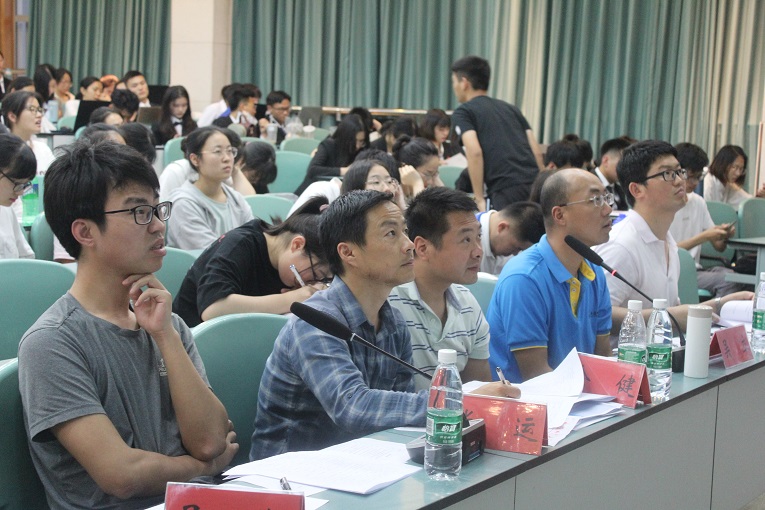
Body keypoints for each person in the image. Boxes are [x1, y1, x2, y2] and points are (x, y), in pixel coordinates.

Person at [18, 140, 237, 509]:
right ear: (85, 232)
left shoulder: (167, 323)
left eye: (157, 208)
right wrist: (204, 468)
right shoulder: (52, 342)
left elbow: (211, 440)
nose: (158, 225)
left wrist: (164, 335)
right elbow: (122, 475)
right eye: (139, 212)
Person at [251, 190, 516, 460]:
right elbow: (353, 407)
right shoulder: (315, 321)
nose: (408, 245)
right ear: (348, 253)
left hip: (363, 462)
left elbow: (400, 417)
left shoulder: (394, 323)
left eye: (404, 231)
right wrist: (459, 401)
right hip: (289, 473)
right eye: (391, 234)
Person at [594, 140, 752, 334]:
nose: (679, 181)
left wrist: (721, 304)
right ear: (637, 190)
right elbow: (596, 314)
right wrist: (669, 317)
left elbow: (673, 312)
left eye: (679, 172)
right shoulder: (622, 245)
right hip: (622, 352)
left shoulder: (666, 241)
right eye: (667, 174)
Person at [390, 187, 524, 392]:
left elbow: (479, 391)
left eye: (478, 237)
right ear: (423, 248)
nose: (478, 251)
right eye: (466, 240)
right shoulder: (389, 302)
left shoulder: (468, 304)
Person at [488, 169, 614, 382]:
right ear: (559, 215)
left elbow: (602, 357)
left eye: (607, 198)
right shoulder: (524, 279)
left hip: (581, 396)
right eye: (595, 200)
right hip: (526, 398)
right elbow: (537, 377)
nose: (608, 209)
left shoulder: (593, 270)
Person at [173, 196, 331, 327]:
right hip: (191, 341)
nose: (311, 282)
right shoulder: (239, 244)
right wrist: (291, 299)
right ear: (297, 245)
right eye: (315, 274)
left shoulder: (284, 265)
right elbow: (212, 309)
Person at [450, 55, 543, 211]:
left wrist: (479, 198)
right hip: (534, 184)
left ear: (464, 83)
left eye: (454, 81)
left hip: (505, 188)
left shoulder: (464, 112)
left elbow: (475, 152)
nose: (454, 87)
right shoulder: (512, 109)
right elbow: (536, 151)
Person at [669, 143, 744, 297]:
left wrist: (723, 235)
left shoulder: (698, 202)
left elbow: (719, 247)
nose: (695, 183)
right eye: (691, 177)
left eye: (699, 177)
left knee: (738, 277)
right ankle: (717, 311)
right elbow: (666, 251)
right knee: (728, 281)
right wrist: (704, 237)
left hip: (696, 270)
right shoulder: (665, 206)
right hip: (674, 271)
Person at [166, 126, 254, 249]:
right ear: (195, 159)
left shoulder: (236, 198)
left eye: (230, 151)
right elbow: (210, 253)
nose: (227, 158)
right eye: (218, 152)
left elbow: (253, 238)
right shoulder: (183, 204)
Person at [294, 113, 368, 195]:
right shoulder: (328, 145)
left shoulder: (362, 151)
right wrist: (343, 171)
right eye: (354, 141)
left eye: (361, 141)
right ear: (345, 137)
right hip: (313, 194)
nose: (357, 145)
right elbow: (313, 169)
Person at [478, 201, 544, 274]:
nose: (515, 254)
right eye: (516, 248)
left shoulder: (507, 239)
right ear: (502, 227)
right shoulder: (470, 240)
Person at [0, 133, 36, 258]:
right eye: (16, 183)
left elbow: (25, 259)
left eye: (24, 185)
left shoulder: (5, 210)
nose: (20, 192)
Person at [591, 136, 634, 211]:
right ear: (606, 161)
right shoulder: (588, 182)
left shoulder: (619, 189)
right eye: (622, 164)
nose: (626, 169)